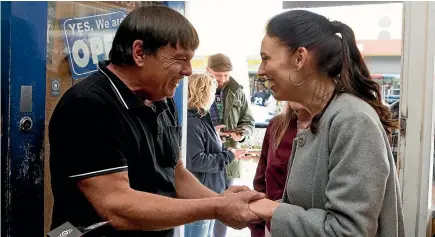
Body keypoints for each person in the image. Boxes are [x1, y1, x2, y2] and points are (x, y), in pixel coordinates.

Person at [48, 6, 264, 237]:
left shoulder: (161, 98)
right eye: (181, 59)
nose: (189, 71)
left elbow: (176, 173)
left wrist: (222, 200)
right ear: (139, 53)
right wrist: (216, 207)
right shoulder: (88, 105)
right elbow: (116, 206)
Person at [249, 10, 404, 237]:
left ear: (300, 58)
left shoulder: (352, 120)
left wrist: (273, 210)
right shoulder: (324, 118)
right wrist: (257, 203)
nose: (261, 71)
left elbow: (348, 231)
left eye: (266, 58)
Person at [185, 73, 246, 237]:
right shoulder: (193, 122)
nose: (214, 96)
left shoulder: (198, 119)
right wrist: (229, 155)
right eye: (212, 92)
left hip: (207, 193)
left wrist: (214, 135)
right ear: (202, 93)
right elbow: (196, 161)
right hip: (201, 196)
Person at [206, 53, 256, 237]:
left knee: (226, 205)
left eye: (226, 75)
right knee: (203, 202)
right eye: (218, 75)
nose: (223, 79)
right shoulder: (197, 88)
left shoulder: (238, 91)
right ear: (208, 70)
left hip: (229, 158)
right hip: (204, 157)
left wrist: (241, 134)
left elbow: (249, 122)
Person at [248, 102, 311, 237]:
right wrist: (257, 229)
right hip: (272, 227)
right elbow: (260, 185)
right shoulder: (277, 125)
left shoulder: (337, 128)